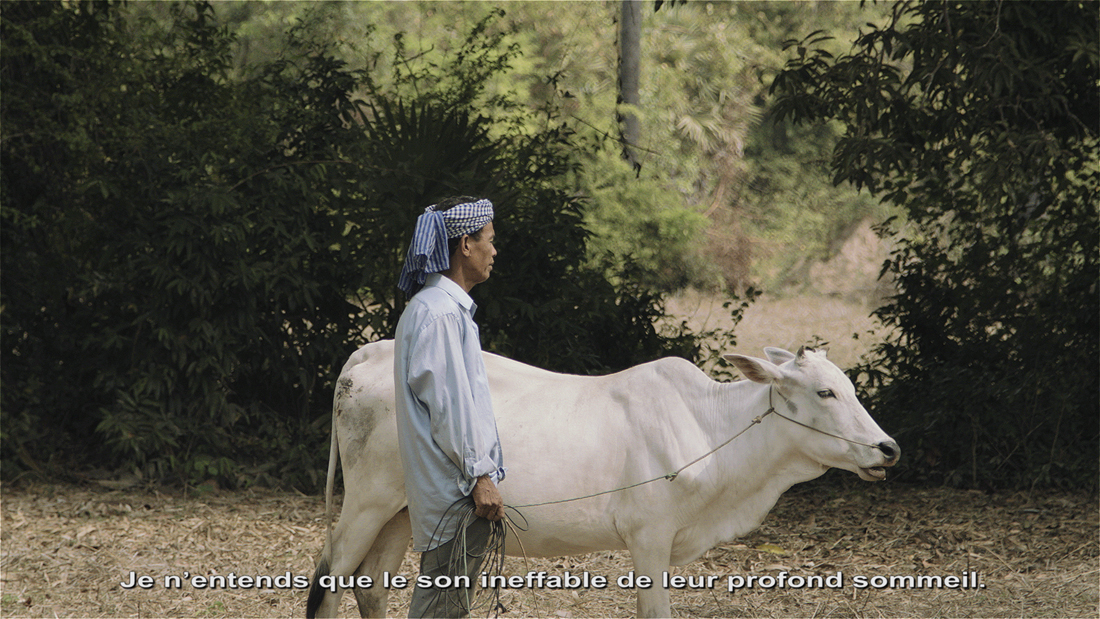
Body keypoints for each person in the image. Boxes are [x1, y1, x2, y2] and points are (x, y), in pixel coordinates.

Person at [393, 196, 506, 618]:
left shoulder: (435, 309)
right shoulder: (440, 314)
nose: (494, 251)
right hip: (455, 497)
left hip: (447, 496)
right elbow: (450, 409)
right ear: (465, 245)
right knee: (440, 610)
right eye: (489, 241)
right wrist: (480, 477)